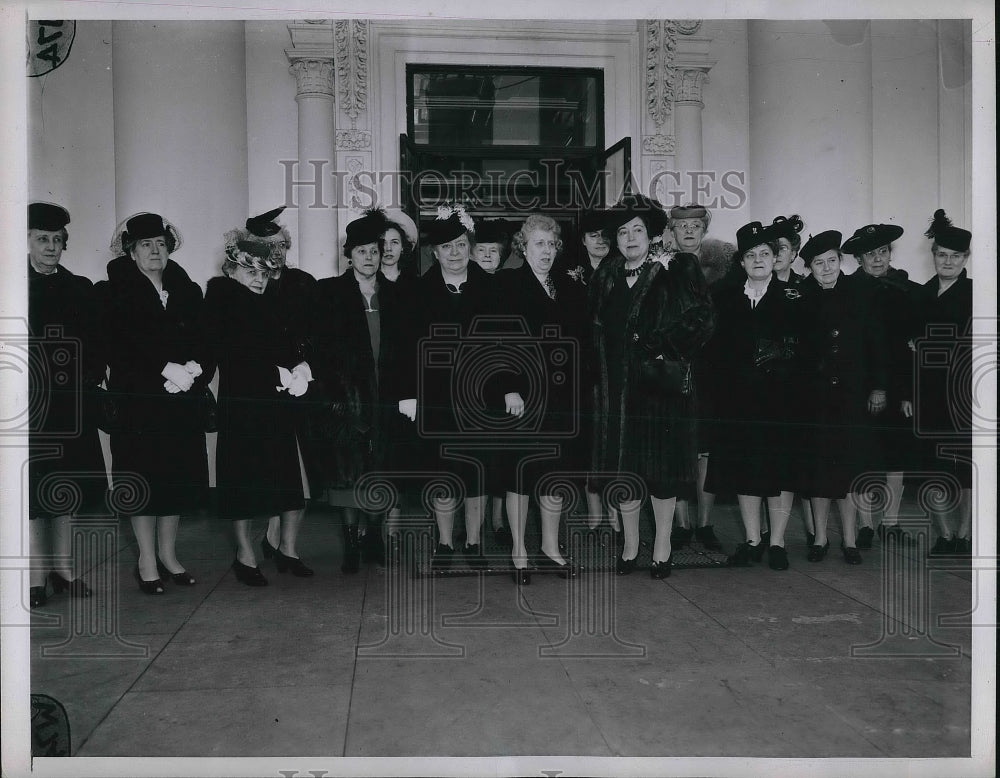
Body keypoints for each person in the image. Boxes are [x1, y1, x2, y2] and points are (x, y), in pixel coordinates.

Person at [590, 194, 715, 579]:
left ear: (652, 234)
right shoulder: (606, 274)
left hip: (659, 391)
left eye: (637, 230)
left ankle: (662, 544)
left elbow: (703, 318)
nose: (630, 237)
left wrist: (663, 347)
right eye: (623, 231)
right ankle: (630, 545)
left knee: (662, 473)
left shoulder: (678, 266)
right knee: (625, 474)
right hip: (618, 392)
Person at [396, 204, 517, 571]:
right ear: (435, 252)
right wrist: (408, 394)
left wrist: (511, 387)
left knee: (478, 472)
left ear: (471, 247)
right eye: (446, 247)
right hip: (436, 396)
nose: (454, 252)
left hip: (483, 396)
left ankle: (474, 542)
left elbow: (507, 343)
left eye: (461, 245)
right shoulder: (417, 291)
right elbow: (405, 347)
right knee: (444, 471)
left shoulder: (491, 288)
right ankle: (446, 544)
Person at [97, 213, 210, 594]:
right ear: (131, 252)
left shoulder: (187, 289)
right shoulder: (113, 291)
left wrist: (196, 369)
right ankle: (146, 560)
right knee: (143, 480)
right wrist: (164, 368)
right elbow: (116, 344)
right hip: (139, 404)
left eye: (161, 243)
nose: (155, 250)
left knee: (174, 480)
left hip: (180, 403)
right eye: (146, 244)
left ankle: (169, 556)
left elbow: (206, 339)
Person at [204, 235, 314, 586]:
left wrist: (300, 366)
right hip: (242, 404)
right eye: (250, 270)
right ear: (232, 269)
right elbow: (234, 355)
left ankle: (288, 550)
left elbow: (287, 344)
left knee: (288, 479)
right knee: (241, 481)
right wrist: (277, 372)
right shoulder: (222, 302)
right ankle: (244, 554)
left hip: (278, 402)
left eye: (265, 273)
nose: (258, 278)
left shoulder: (272, 303)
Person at [703, 220, 802, 571]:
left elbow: (805, 352)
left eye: (765, 253)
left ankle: (777, 542)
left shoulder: (795, 297)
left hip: (781, 402)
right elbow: (713, 350)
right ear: (741, 262)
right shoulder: (725, 297)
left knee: (780, 472)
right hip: (737, 401)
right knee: (744, 470)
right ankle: (752, 539)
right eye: (751, 255)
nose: (758, 260)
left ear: (775, 258)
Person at [498, 214, 588, 583]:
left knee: (554, 473)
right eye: (539, 243)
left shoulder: (567, 286)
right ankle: (519, 551)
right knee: (520, 474)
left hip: (561, 395)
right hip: (521, 396)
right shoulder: (507, 283)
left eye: (552, 244)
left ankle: (550, 548)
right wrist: (507, 386)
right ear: (523, 246)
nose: (547, 250)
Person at [314, 210, 405, 571]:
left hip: (386, 395)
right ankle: (352, 542)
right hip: (345, 396)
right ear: (348, 255)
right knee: (347, 472)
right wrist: (334, 397)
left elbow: (406, 348)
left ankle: (375, 538)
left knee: (382, 468)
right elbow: (320, 348)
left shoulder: (395, 294)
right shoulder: (329, 292)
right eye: (362, 251)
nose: (369, 257)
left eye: (374, 250)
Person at [26, 203, 106, 607]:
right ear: (26, 241)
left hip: (71, 405)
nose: (51, 247)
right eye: (43, 239)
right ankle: (36, 577)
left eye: (58, 240)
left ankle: (65, 570)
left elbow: (94, 344)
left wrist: (89, 378)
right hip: (28, 408)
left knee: (65, 493)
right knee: (34, 497)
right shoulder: (11, 284)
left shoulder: (80, 288)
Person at [235, 207, 320, 576]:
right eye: (268, 246)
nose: (277, 252)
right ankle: (264, 542)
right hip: (264, 387)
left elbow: (319, 332)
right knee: (266, 469)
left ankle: (287, 548)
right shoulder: (250, 283)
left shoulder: (303, 282)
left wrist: (306, 366)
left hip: (301, 388)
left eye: (281, 245)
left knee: (298, 472)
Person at [796, 230, 888, 565]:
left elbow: (877, 344)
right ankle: (820, 538)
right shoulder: (803, 296)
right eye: (818, 263)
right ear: (810, 267)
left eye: (831, 261)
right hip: (815, 398)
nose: (826, 268)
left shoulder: (861, 292)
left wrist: (878, 386)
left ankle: (849, 540)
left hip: (852, 395)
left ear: (841, 261)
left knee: (849, 471)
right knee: (819, 472)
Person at [842, 222, 921, 546]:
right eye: (870, 253)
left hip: (898, 386)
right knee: (862, 454)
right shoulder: (848, 292)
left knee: (895, 455)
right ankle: (865, 525)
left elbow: (912, 345)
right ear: (859, 258)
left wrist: (906, 392)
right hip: (859, 385)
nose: (877, 258)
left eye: (883, 251)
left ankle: (890, 521)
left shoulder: (907, 290)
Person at [908, 209, 973, 556]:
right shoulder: (919, 295)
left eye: (956, 256)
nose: (948, 261)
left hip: (967, 395)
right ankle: (944, 536)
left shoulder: (978, 294)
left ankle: (964, 535)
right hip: (927, 394)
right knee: (931, 466)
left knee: (964, 468)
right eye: (942, 255)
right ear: (933, 256)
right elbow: (907, 347)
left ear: (966, 258)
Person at [665, 203, 724, 552]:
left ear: (704, 230)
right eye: (682, 225)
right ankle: (681, 524)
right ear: (672, 231)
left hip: (712, 371)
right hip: (673, 369)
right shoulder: (661, 269)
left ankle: (706, 523)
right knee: (675, 448)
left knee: (705, 450)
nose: (688, 231)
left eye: (695, 225)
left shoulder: (724, 270)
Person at [769, 214, 815, 545]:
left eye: (784, 247)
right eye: (773, 248)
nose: (778, 253)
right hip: (766, 387)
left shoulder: (806, 288)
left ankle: (807, 532)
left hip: (798, 387)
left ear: (795, 252)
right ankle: (763, 536)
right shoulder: (755, 286)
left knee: (796, 464)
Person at [471, 216, 515, 549]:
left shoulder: (508, 284)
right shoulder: (460, 282)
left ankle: (498, 520)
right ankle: (468, 525)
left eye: (493, 251)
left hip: (502, 382)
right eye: (481, 250)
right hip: (470, 385)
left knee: (501, 457)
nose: (487, 255)